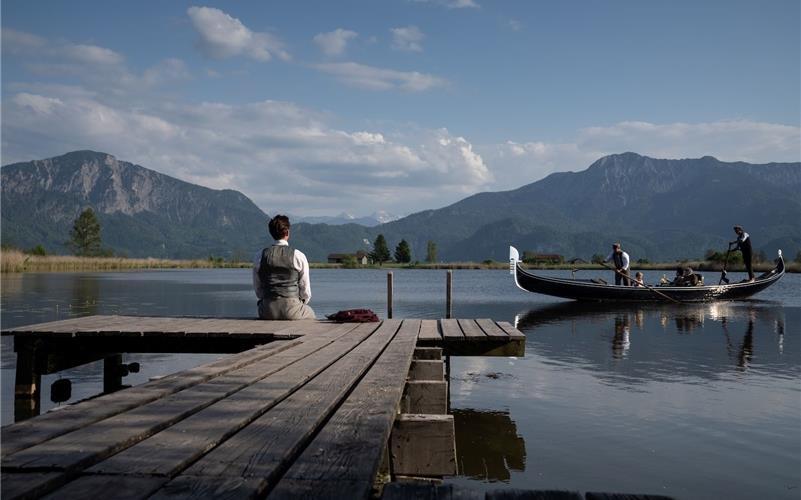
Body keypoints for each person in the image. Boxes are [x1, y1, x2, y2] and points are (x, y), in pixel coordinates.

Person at [252, 215, 316, 320]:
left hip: (267, 311)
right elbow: (305, 292)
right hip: (292, 310)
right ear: (287, 233)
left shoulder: (260, 256)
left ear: (271, 233)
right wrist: (301, 302)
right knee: (311, 314)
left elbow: (258, 289)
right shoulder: (298, 255)